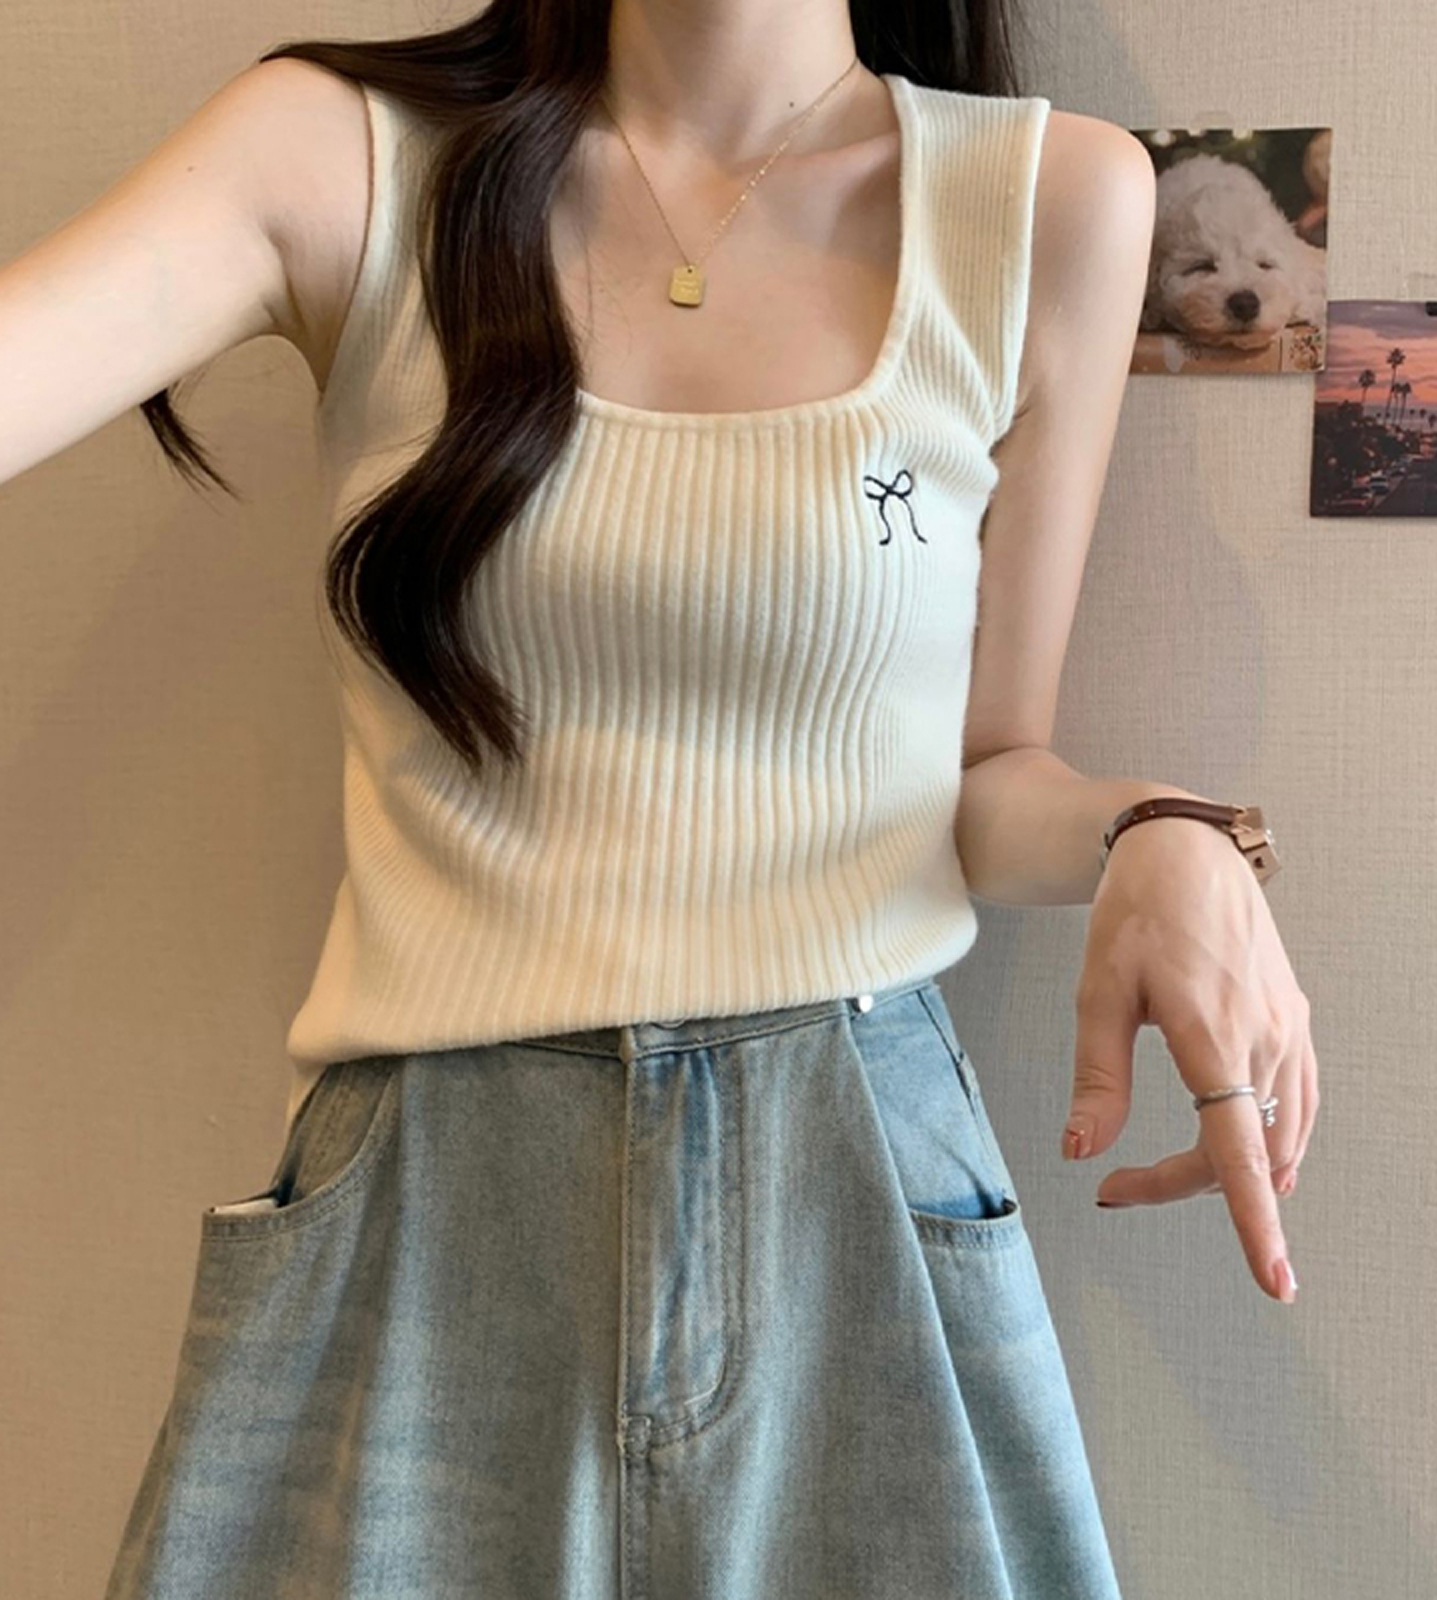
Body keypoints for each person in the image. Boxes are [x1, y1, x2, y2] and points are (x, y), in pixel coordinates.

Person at [1, 2, 1319, 1595]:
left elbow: (986, 773)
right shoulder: (343, 157)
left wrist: (1162, 833)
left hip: (855, 1173)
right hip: (430, 1196)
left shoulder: (1053, 199)